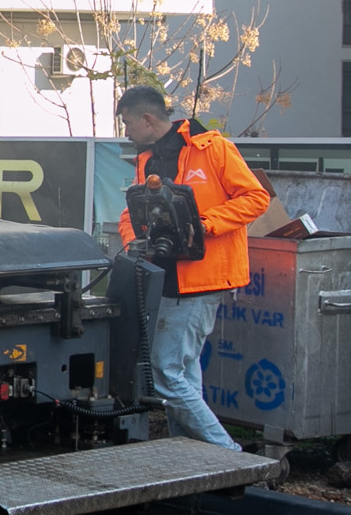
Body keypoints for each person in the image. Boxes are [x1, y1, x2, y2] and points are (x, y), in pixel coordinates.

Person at [113, 84, 271, 450]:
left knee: (165, 373)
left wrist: (204, 223)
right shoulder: (147, 160)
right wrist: (130, 239)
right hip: (167, 279)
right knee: (182, 371)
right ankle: (188, 453)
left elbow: (256, 197)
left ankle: (228, 454)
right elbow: (131, 211)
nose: (126, 132)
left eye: (127, 123)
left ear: (147, 119)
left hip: (201, 279)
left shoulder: (212, 148)